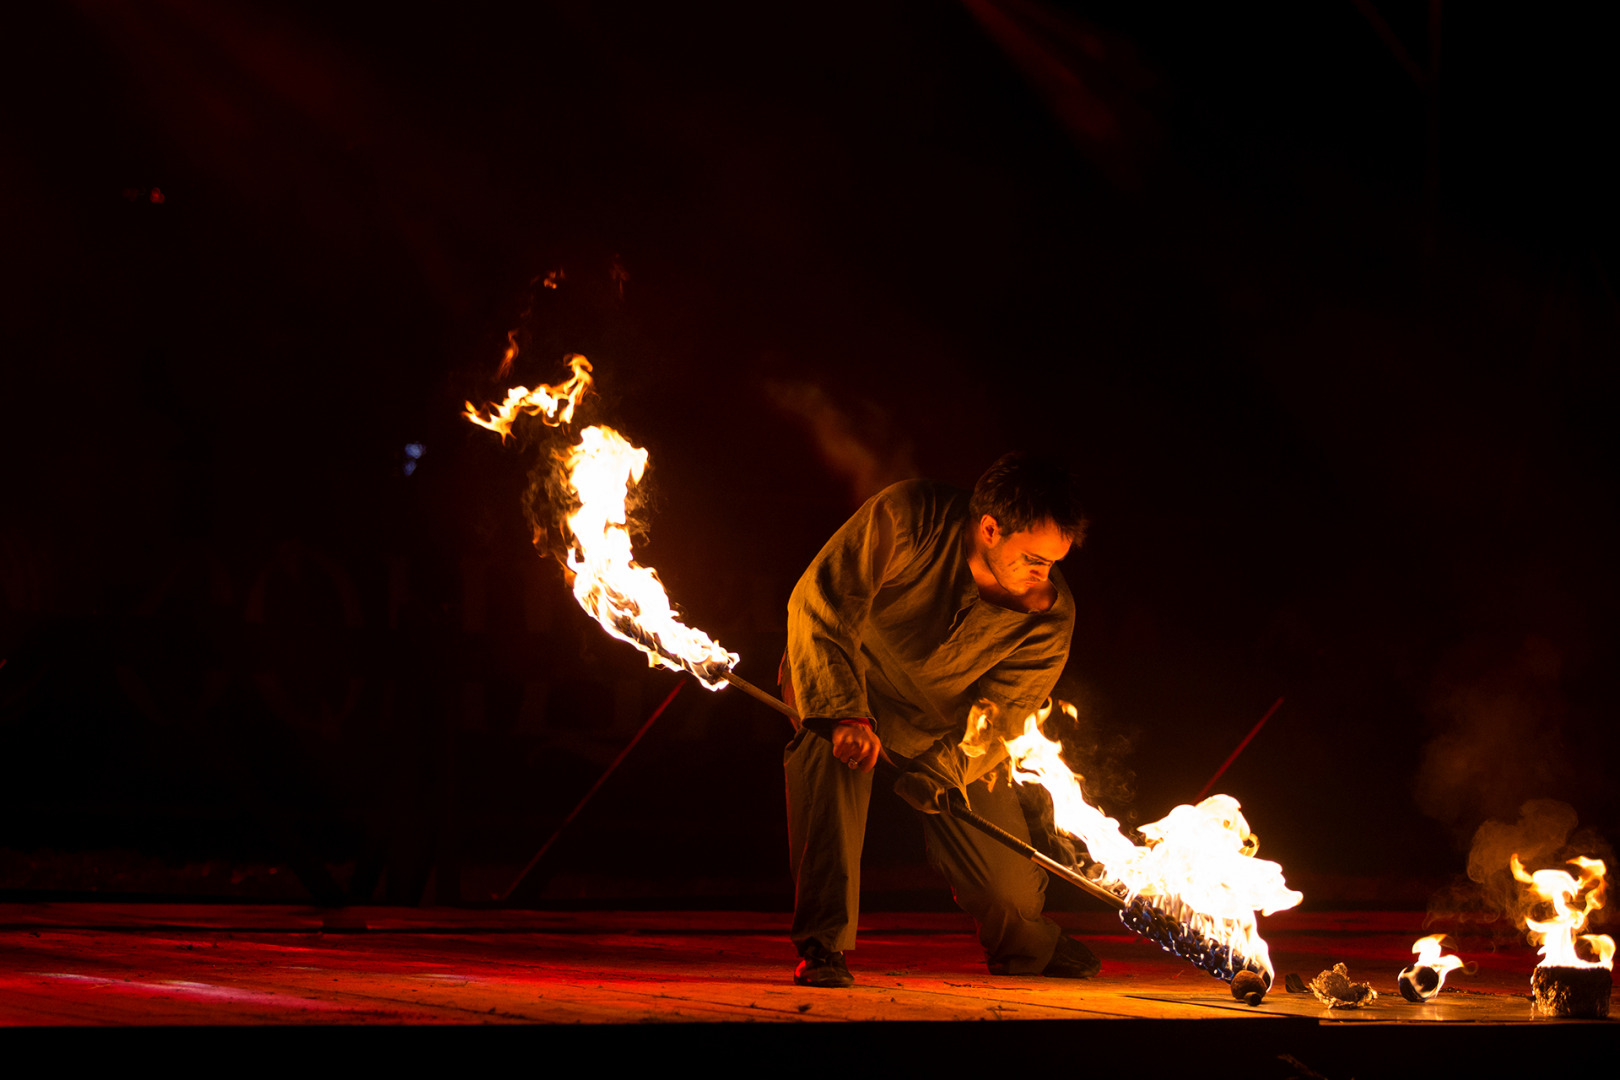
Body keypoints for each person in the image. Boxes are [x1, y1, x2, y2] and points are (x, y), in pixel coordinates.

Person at [780, 452, 1100, 988]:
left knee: (1007, 885)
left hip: (942, 730)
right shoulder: (909, 518)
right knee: (830, 762)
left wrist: (944, 771)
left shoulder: (1050, 615)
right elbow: (823, 603)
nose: (1043, 575)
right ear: (990, 528)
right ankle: (823, 944)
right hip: (845, 682)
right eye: (1033, 559)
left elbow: (1005, 716)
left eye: (1053, 562)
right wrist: (844, 713)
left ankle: (1025, 942)